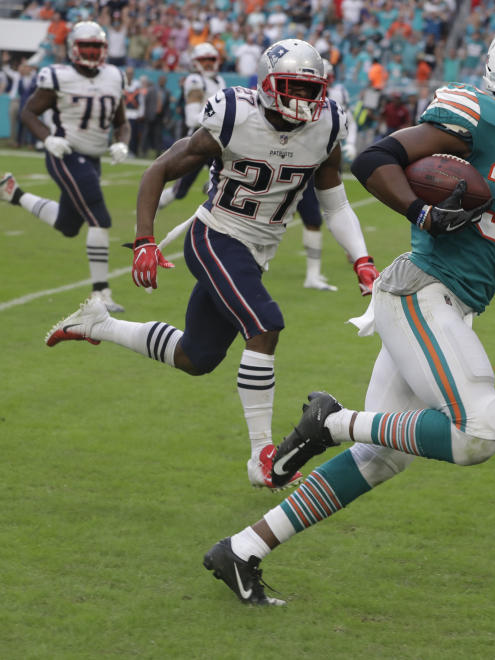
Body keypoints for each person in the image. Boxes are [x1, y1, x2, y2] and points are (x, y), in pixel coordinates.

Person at [201, 21, 495, 605]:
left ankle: (242, 550)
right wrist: (421, 213)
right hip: (421, 292)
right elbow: (377, 158)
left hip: (452, 306)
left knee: (382, 458)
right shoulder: (475, 112)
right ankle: (329, 422)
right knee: (481, 431)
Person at [42, 39, 379, 491]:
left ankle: (97, 324)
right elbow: (156, 171)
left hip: (257, 251)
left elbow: (335, 205)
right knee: (265, 326)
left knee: (195, 357)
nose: (302, 100)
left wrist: (362, 260)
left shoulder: (328, 125)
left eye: (310, 89)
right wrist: (144, 240)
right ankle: (263, 456)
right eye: (292, 87)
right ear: (267, 85)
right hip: (215, 234)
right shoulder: (234, 115)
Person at [0, 21, 130, 312]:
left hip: (92, 158)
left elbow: (122, 122)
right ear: (74, 48)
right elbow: (28, 112)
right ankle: (101, 293)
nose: (92, 52)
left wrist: (121, 142)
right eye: (87, 47)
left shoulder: (114, 76)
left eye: (97, 47)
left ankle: (14, 194)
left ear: (105, 49)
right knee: (99, 217)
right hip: (65, 153)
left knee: (69, 226)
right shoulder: (57, 76)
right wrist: (48, 139)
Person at [299, 58, 360, 293]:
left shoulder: (338, 94)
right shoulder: (301, 94)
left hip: (322, 160)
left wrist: (351, 144)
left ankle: (316, 273)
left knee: (326, 210)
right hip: (298, 160)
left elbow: (350, 121)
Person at [157, 43, 226, 209]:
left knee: (227, 180)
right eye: (204, 60)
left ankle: (214, 182)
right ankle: (153, 205)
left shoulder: (219, 80)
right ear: (195, 62)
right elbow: (192, 119)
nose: (208, 63)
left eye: (211, 59)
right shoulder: (195, 80)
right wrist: (219, 118)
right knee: (179, 191)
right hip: (199, 140)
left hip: (217, 140)